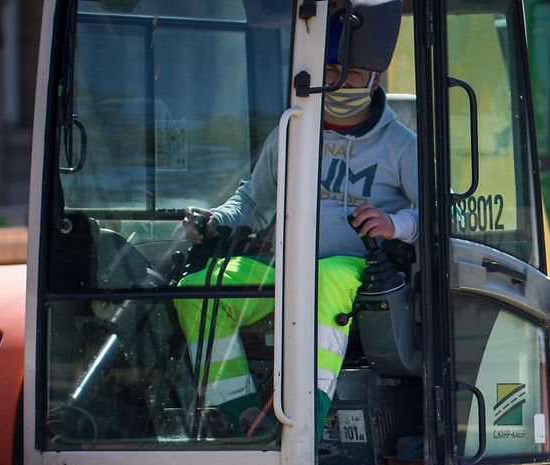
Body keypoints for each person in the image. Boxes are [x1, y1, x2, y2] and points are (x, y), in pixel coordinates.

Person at [174, 1, 417, 435]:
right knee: (197, 288)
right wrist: (214, 220)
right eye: (326, 74)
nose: (333, 85)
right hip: (285, 267)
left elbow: (440, 217)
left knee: (323, 281)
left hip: (357, 268)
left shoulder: (402, 147)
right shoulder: (291, 132)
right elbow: (251, 203)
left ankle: (305, 416)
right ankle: (237, 414)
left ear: (375, 80)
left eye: (348, 77)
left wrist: (393, 224)